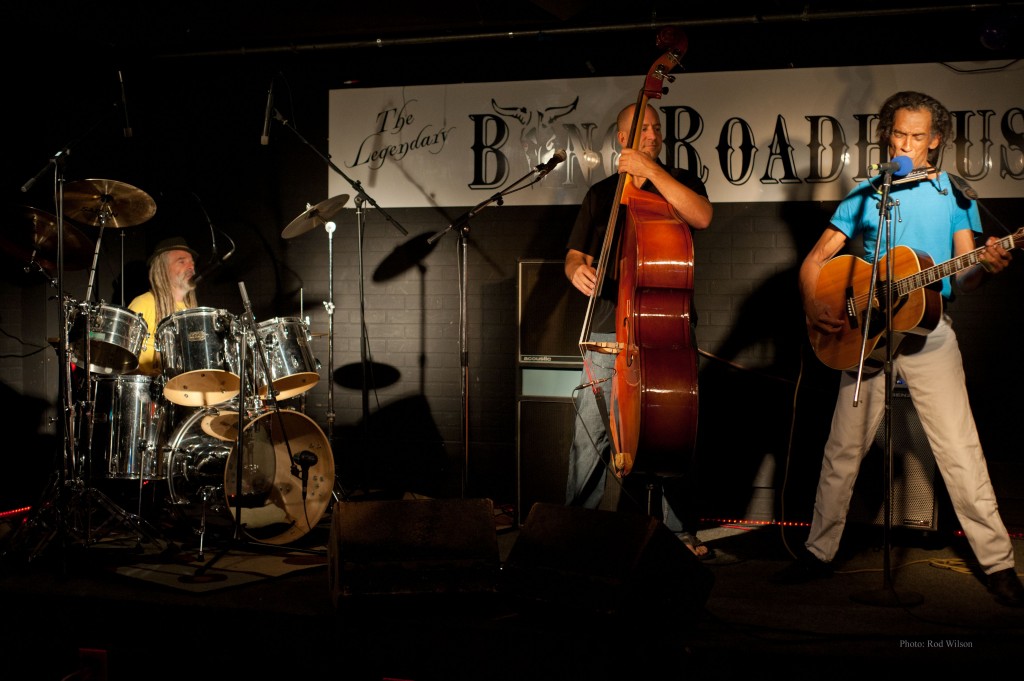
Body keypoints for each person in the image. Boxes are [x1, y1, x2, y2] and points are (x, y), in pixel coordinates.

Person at [774, 91, 1023, 607]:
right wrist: (811, 303)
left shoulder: (956, 196)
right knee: (842, 450)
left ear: (935, 141)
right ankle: (818, 554)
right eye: (899, 134)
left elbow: (966, 273)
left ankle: (998, 566)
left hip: (929, 336)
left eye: (918, 136)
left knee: (959, 450)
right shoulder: (867, 194)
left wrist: (987, 264)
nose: (907, 143)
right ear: (889, 135)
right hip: (867, 335)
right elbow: (816, 260)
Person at [563, 102, 714, 558]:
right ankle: (571, 529)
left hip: (663, 336)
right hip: (610, 333)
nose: (651, 133)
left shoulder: (680, 181)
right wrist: (575, 271)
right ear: (620, 138)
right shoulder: (601, 193)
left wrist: (651, 171)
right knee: (589, 439)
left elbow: (702, 216)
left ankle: (676, 530)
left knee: (664, 434)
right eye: (642, 129)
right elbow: (574, 255)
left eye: (655, 128)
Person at [128, 236, 199, 377]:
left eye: (191, 263)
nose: (191, 267)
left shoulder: (193, 311)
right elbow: (122, 364)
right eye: (182, 261)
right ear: (162, 269)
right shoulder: (144, 303)